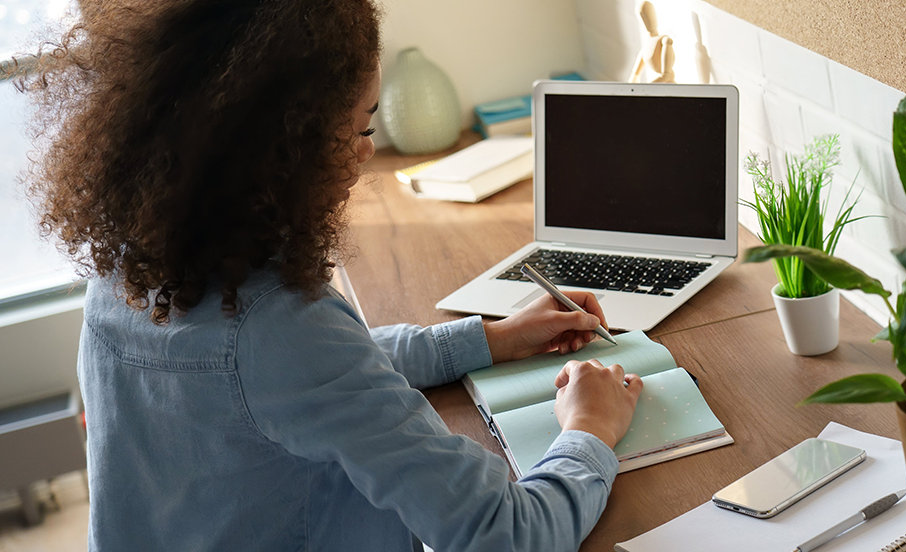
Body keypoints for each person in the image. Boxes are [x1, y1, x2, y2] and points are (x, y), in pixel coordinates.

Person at [15, 1, 643, 550]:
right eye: (362, 125)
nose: (367, 151)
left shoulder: (131, 264)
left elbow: (305, 379)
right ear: (286, 146)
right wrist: (590, 427)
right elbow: (505, 534)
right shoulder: (277, 325)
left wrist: (491, 339)